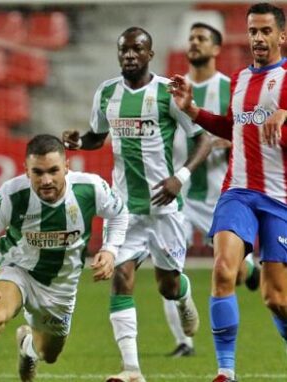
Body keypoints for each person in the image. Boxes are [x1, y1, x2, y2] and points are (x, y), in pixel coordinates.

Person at [62, 27, 210, 382]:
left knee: (167, 286)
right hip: (124, 209)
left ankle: (184, 296)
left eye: (136, 50)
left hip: (165, 207)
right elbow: (98, 136)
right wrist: (79, 142)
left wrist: (180, 178)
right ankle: (132, 370)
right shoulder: (107, 93)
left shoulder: (167, 93)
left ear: (150, 54)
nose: (129, 55)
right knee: (121, 278)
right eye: (124, 50)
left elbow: (203, 139)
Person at [0, 134, 129, 382]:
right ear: (26, 171)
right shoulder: (12, 195)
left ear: (66, 167)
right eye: (38, 172)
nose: (47, 180)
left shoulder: (90, 188)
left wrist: (110, 250)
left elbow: (119, 213)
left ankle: (27, 348)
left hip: (61, 287)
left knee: (48, 353)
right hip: (17, 269)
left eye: (53, 171)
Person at [169, 3, 287, 381]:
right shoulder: (239, 80)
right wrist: (193, 110)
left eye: (266, 31)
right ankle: (225, 371)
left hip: (279, 198)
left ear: (282, 36)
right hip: (237, 192)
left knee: (276, 298)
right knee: (223, 271)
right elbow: (230, 127)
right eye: (253, 31)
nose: (258, 38)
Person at [164, 22, 262, 359]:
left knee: (228, 269)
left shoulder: (229, 88)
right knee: (168, 264)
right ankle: (184, 341)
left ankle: (251, 270)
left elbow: (244, 131)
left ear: (217, 48)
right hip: (180, 193)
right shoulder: (173, 88)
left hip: (219, 193)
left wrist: (221, 139)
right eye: (190, 37)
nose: (194, 42)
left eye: (202, 38)